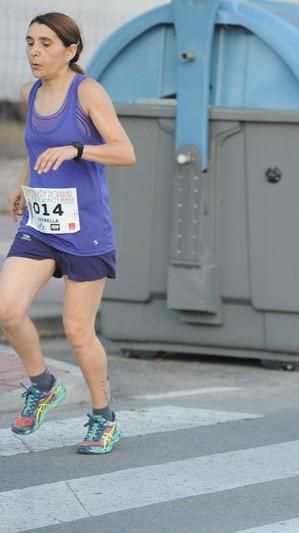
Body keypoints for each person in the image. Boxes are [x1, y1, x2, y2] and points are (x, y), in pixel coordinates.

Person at [0, 12, 135, 454]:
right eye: (30, 43)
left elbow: (124, 151)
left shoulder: (88, 92)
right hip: (40, 224)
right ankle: (43, 384)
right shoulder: (30, 92)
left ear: (71, 50)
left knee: (78, 331)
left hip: (85, 229)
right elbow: (38, 149)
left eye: (45, 44)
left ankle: (103, 417)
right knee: (6, 308)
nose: (34, 53)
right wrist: (25, 183)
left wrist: (78, 148)